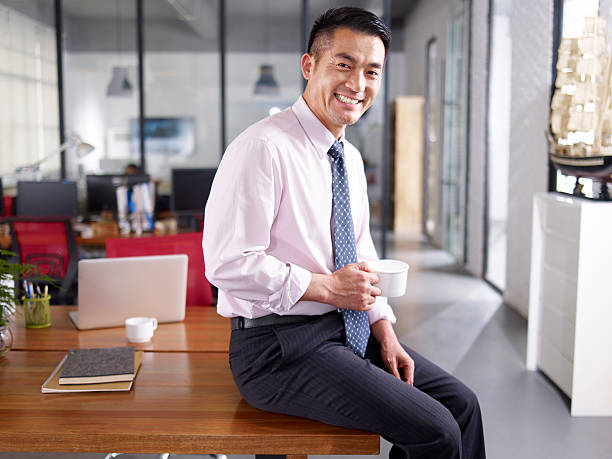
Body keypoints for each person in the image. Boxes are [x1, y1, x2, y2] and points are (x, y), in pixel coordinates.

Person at [203, 7, 486, 459]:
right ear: (309, 65)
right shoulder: (262, 148)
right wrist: (325, 288)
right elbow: (227, 263)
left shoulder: (347, 157)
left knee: (462, 406)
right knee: (436, 431)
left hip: (344, 331)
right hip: (276, 349)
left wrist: (384, 328)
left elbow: (359, 250)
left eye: (372, 71)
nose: (358, 84)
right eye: (344, 64)